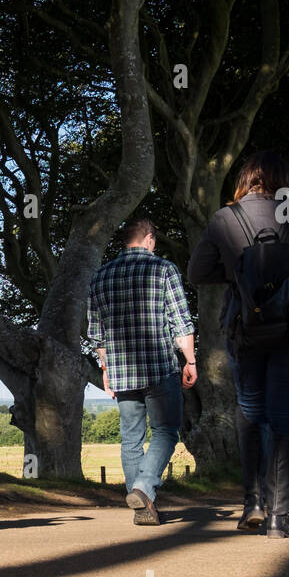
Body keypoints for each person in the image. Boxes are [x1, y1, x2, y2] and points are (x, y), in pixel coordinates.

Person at [187, 151, 289, 538]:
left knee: (251, 411)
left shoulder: (225, 218)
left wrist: (241, 271)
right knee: (284, 419)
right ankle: (278, 517)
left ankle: (251, 502)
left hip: (243, 329)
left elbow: (197, 272)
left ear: (246, 180)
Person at [88, 219, 196, 526]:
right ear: (149, 239)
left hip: (121, 372)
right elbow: (181, 321)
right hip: (158, 367)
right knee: (165, 431)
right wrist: (190, 361)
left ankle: (142, 506)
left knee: (130, 439)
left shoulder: (101, 276)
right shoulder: (164, 270)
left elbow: (96, 333)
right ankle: (143, 487)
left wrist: (105, 370)